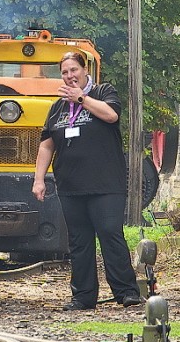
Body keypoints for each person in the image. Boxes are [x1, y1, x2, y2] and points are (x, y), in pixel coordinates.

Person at [31, 51, 142, 311]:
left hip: (105, 184)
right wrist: (39, 179)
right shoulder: (58, 107)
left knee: (110, 234)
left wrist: (81, 98)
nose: (70, 76)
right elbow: (46, 146)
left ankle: (126, 291)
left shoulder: (104, 92)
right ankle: (83, 296)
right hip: (70, 186)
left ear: (85, 70)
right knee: (79, 242)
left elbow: (111, 116)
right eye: (65, 72)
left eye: (74, 70)